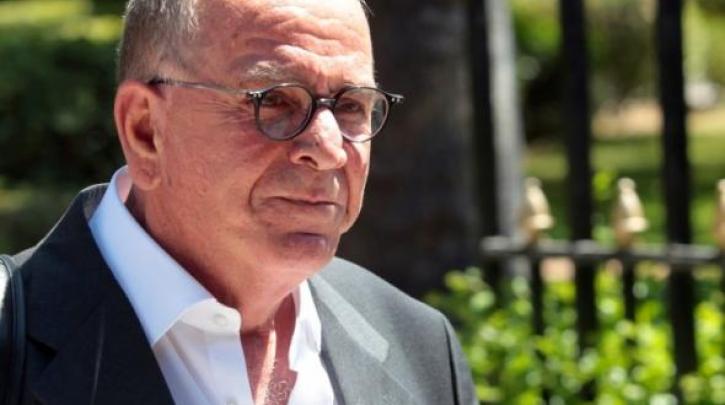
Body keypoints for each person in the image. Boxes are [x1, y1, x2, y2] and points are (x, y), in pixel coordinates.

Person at [9, 0, 476, 404]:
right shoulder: (15, 340)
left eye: (351, 105)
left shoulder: (420, 347)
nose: (329, 148)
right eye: (275, 100)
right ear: (145, 130)